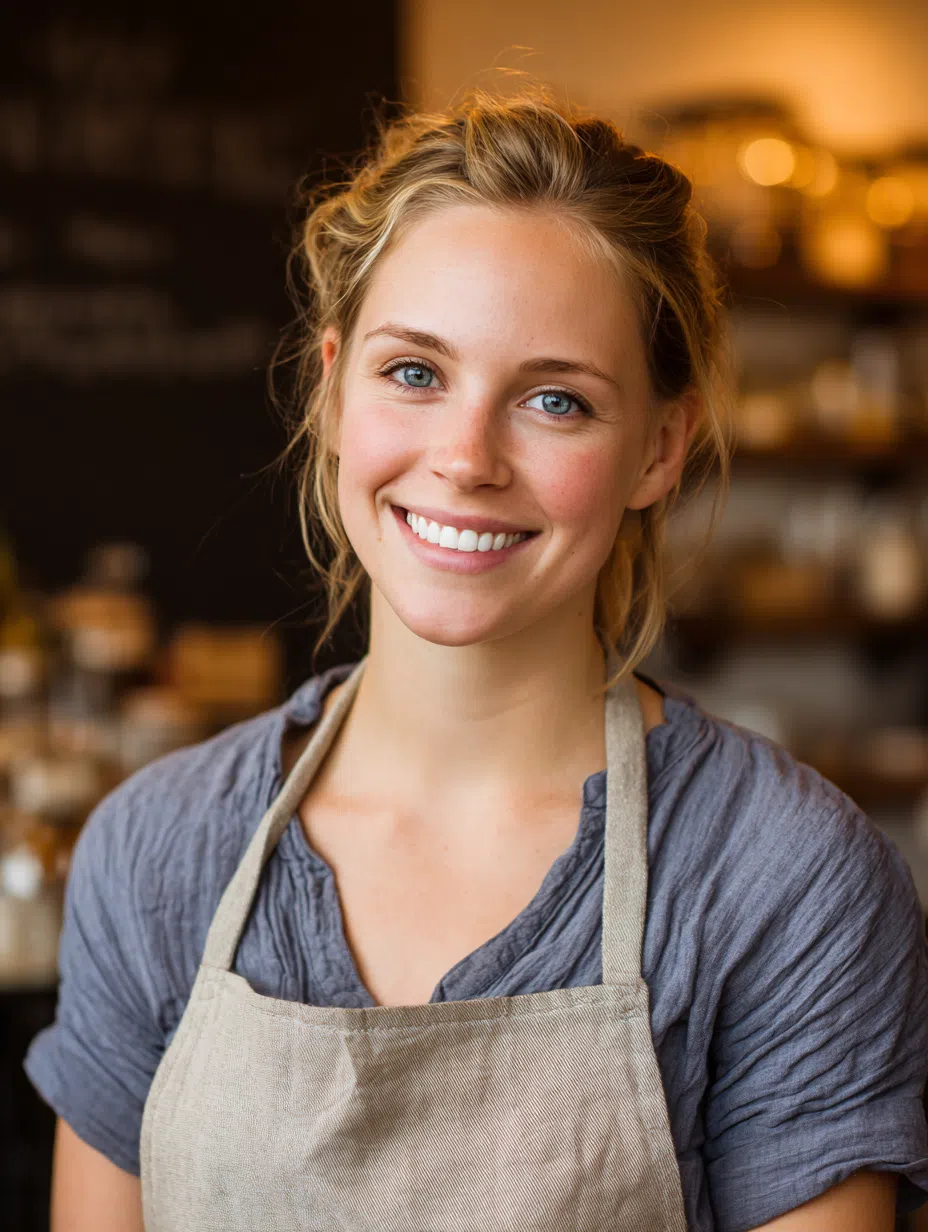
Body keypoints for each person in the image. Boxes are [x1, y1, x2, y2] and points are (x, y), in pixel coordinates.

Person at [25, 89, 928, 1232]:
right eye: (414, 373)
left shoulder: (785, 881)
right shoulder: (156, 851)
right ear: (332, 386)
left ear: (658, 448)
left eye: (555, 400)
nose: (464, 458)